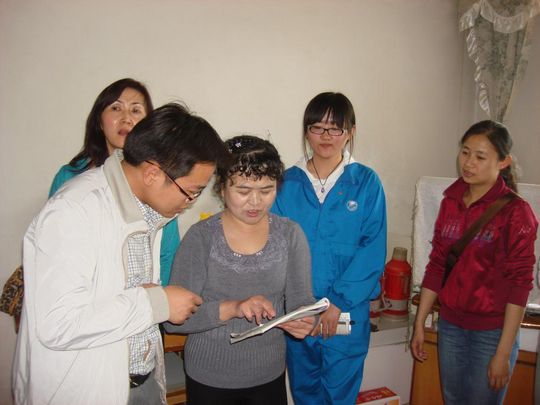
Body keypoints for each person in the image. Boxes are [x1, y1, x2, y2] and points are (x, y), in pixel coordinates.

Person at [12, 103, 231, 405]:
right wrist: (158, 303)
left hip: (140, 379)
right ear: (153, 173)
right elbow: (58, 323)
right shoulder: (73, 212)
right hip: (86, 390)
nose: (190, 202)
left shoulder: (149, 212)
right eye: (192, 191)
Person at [164, 135, 316, 405]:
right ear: (222, 188)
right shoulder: (201, 238)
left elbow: (301, 301)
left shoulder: (290, 235)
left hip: (269, 374)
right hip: (209, 376)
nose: (255, 202)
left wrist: (306, 320)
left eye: (266, 190)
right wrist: (233, 308)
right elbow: (175, 320)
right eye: (243, 191)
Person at [411, 120, 538, 405]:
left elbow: (520, 285)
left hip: (492, 333)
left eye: (480, 157)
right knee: (452, 400)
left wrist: (503, 353)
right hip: (451, 326)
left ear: (503, 162)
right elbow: (438, 265)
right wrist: (420, 323)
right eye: (465, 152)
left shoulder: (516, 212)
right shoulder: (450, 202)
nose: (468, 163)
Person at [272, 92, 387, 404]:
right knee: (304, 393)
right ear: (306, 131)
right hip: (299, 313)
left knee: (340, 396)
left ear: (350, 132)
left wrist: (338, 302)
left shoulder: (366, 183)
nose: (326, 136)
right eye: (317, 127)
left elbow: (372, 249)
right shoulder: (286, 183)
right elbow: (276, 249)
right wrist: (296, 305)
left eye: (335, 128)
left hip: (346, 313)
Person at [48, 78, 180, 286]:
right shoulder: (70, 178)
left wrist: (159, 298)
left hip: (145, 296)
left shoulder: (159, 181)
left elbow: (167, 255)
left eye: (135, 110)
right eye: (116, 108)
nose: (126, 118)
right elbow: (55, 248)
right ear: (100, 122)